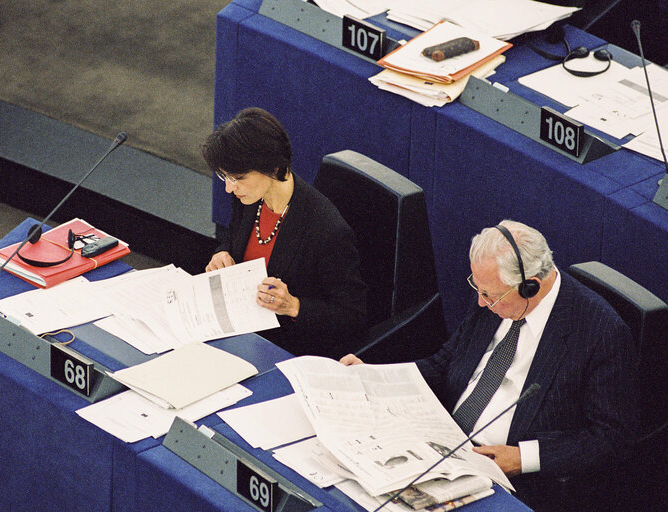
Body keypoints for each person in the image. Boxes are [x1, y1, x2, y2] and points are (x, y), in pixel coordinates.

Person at [341, 220, 637, 512]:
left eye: (490, 296)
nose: (481, 303)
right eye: (479, 291)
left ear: (531, 286)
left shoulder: (600, 332)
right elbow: (444, 364)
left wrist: (523, 458)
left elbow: (610, 437)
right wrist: (374, 376)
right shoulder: (494, 295)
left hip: (513, 483)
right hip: (440, 444)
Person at [202, 107, 367, 358]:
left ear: (272, 167)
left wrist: (294, 306)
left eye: (238, 177)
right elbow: (232, 237)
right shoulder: (248, 196)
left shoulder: (328, 231)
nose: (228, 188)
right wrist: (221, 253)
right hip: (241, 329)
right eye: (224, 176)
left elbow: (352, 317)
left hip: (285, 347)